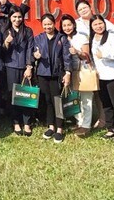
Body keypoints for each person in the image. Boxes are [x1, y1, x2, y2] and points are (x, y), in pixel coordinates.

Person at [32, 14, 72, 143]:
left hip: (56, 74)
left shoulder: (62, 38)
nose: (47, 26)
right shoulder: (38, 38)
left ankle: (59, 128)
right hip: (43, 74)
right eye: (45, 24)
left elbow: (67, 57)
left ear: (54, 24)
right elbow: (33, 53)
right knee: (48, 100)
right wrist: (35, 56)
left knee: (57, 101)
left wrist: (68, 73)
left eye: (49, 23)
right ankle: (51, 126)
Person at [89, 15, 114, 142]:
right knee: (106, 104)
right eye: (95, 24)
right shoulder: (93, 38)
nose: (98, 26)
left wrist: (104, 55)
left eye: (100, 23)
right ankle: (111, 129)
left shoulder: (112, 36)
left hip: (113, 76)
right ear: (91, 26)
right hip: (101, 76)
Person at [2, 6, 35, 136]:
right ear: (10, 18)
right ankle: (16, 122)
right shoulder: (6, 31)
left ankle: (27, 123)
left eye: (19, 17)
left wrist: (29, 66)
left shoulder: (27, 31)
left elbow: (30, 49)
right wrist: (7, 42)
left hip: (24, 68)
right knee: (13, 96)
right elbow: (2, 51)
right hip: (10, 66)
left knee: (26, 95)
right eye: (14, 17)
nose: (17, 19)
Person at [60, 14, 92, 137]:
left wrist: (77, 52)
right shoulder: (62, 38)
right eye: (64, 25)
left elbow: (87, 56)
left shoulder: (81, 37)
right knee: (74, 98)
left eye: (69, 24)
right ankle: (79, 121)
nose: (67, 27)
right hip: (69, 72)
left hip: (82, 71)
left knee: (86, 99)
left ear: (74, 24)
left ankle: (86, 125)